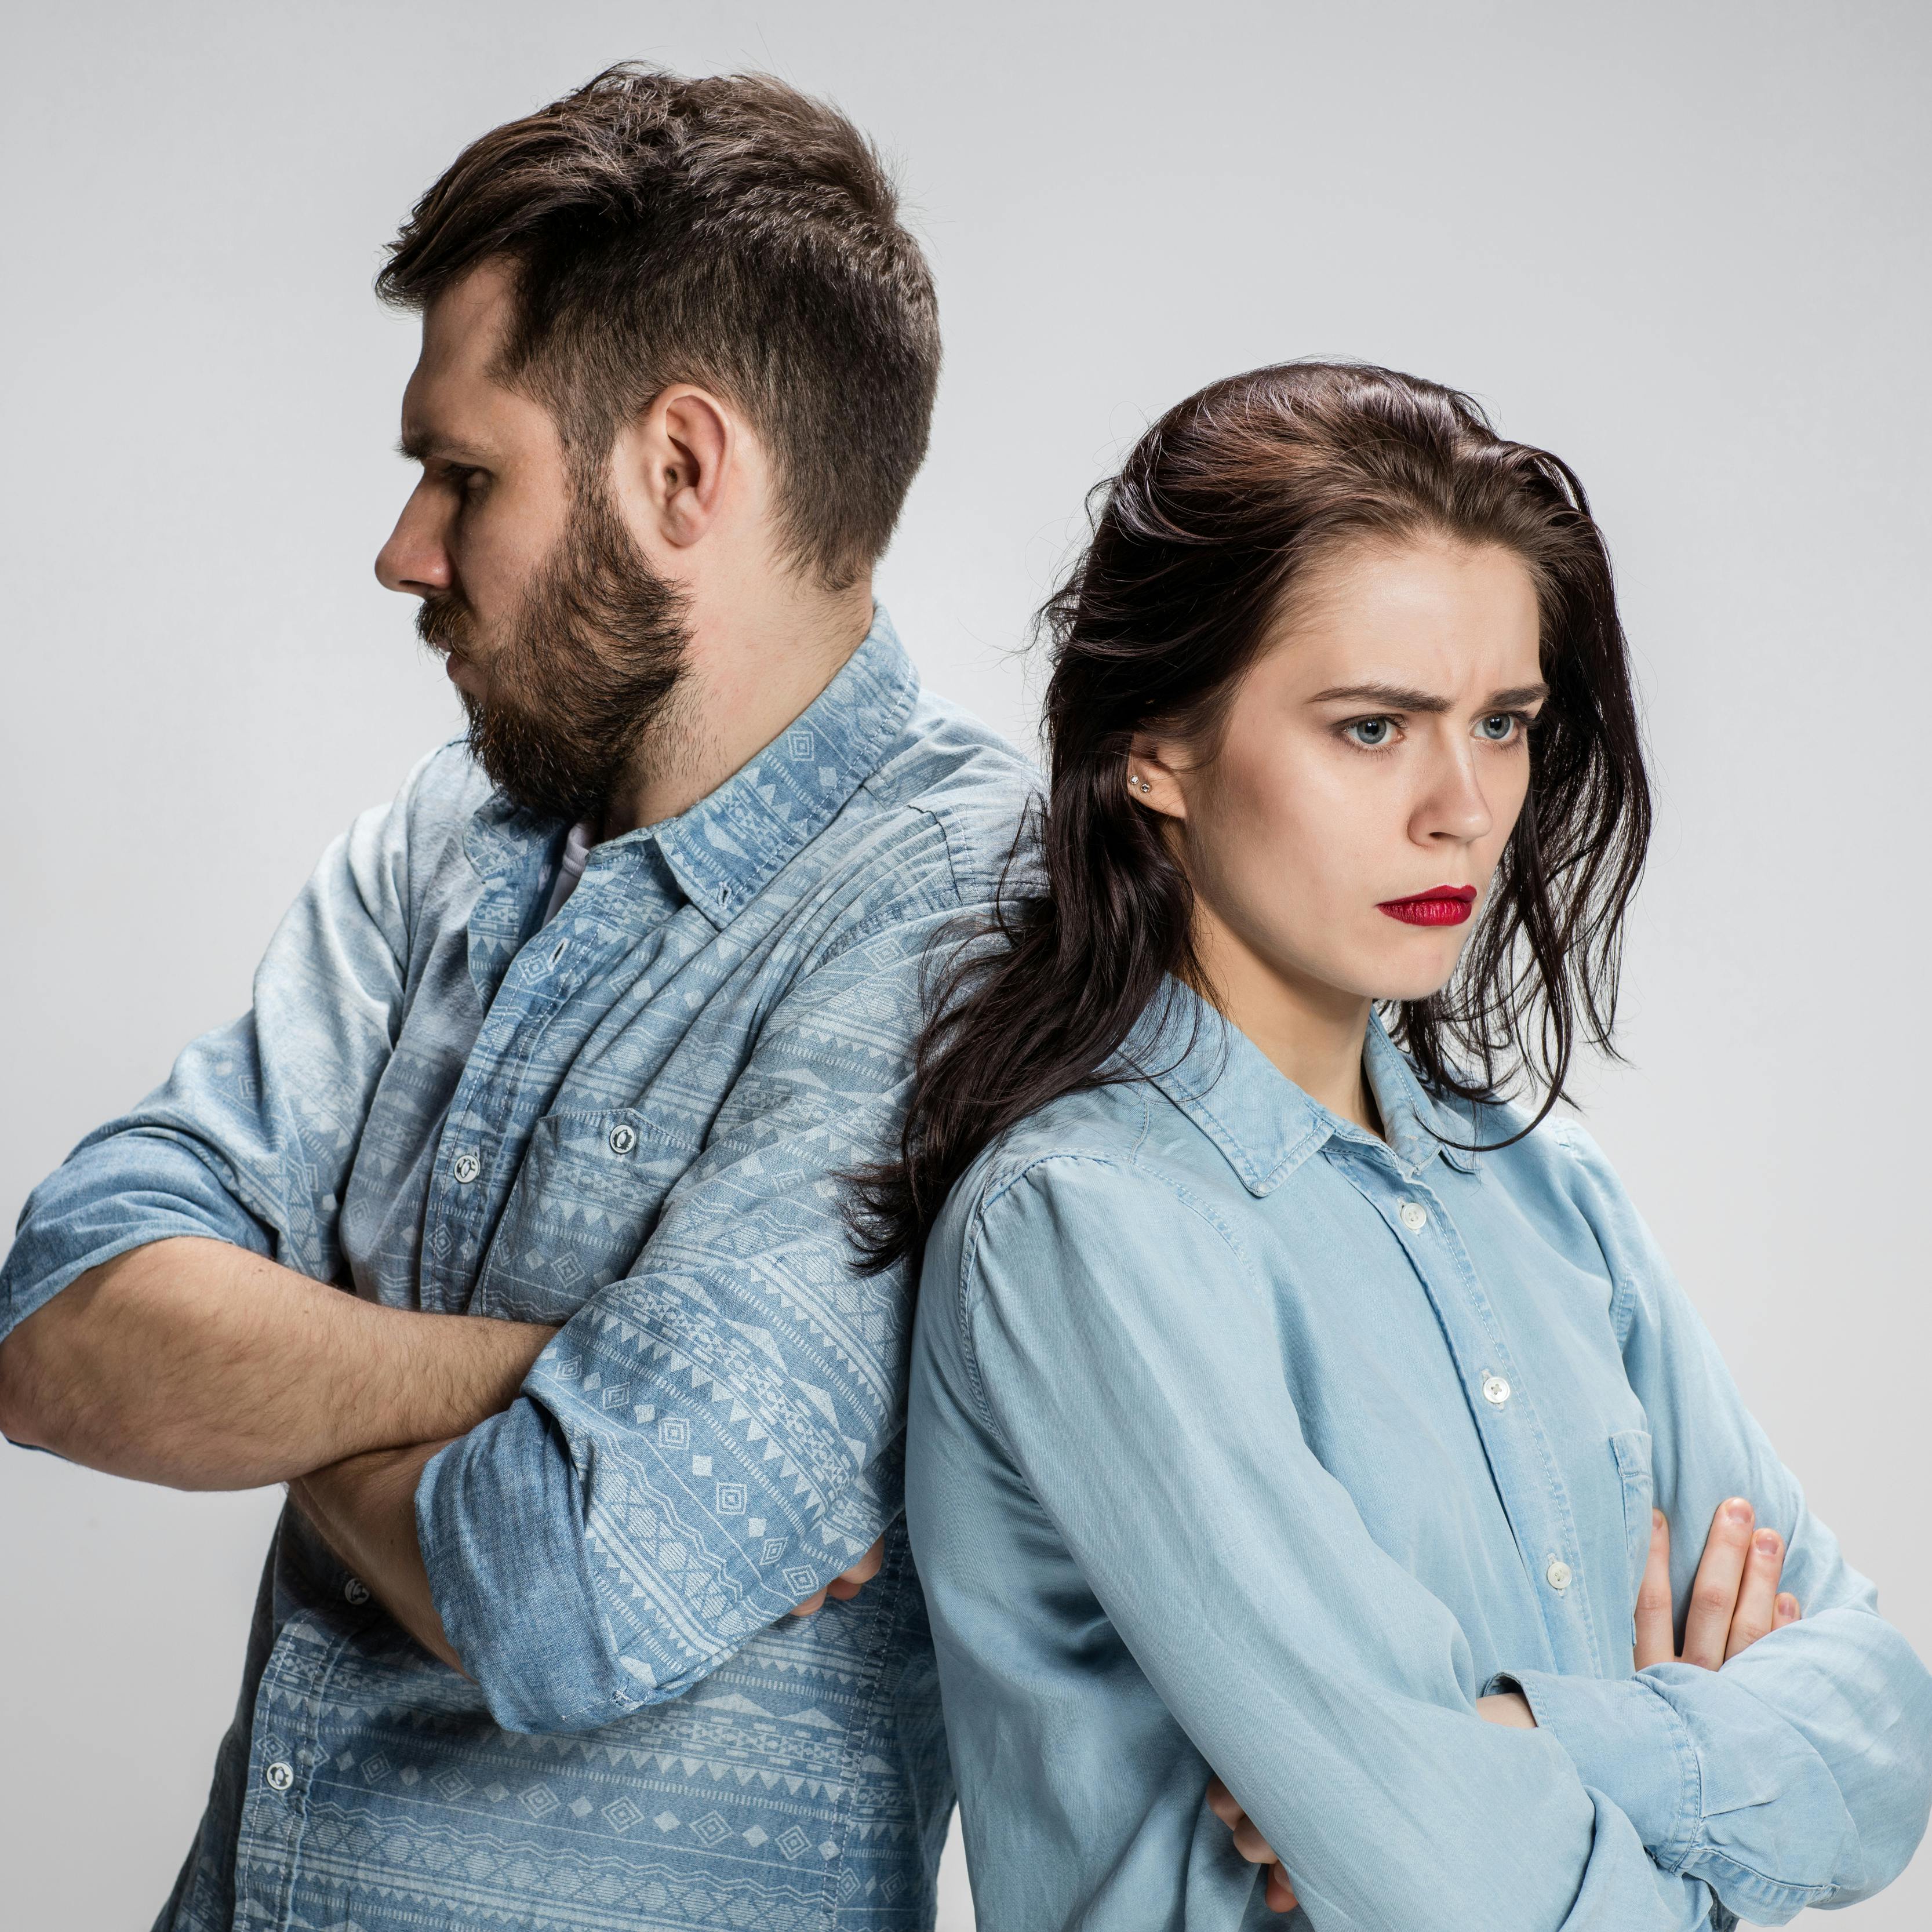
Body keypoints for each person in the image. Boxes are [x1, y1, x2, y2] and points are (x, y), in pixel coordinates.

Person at [0, 64, 1031, 1932]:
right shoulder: (445, 837)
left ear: (683, 470)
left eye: (465, 474)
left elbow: (566, 1573)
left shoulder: (968, 914)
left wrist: (286, 1369)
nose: (405, 549)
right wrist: (560, 1370)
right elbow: (66, 1328)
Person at [853, 362, 1932, 1929]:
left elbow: (1890, 1734)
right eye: (1373, 728)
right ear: (1157, 747)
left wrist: (1535, 1740)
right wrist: (1698, 1777)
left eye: (1503, 724)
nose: (1463, 809)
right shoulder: (1080, 1232)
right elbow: (1457, 1887)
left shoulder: (1554, 1206)